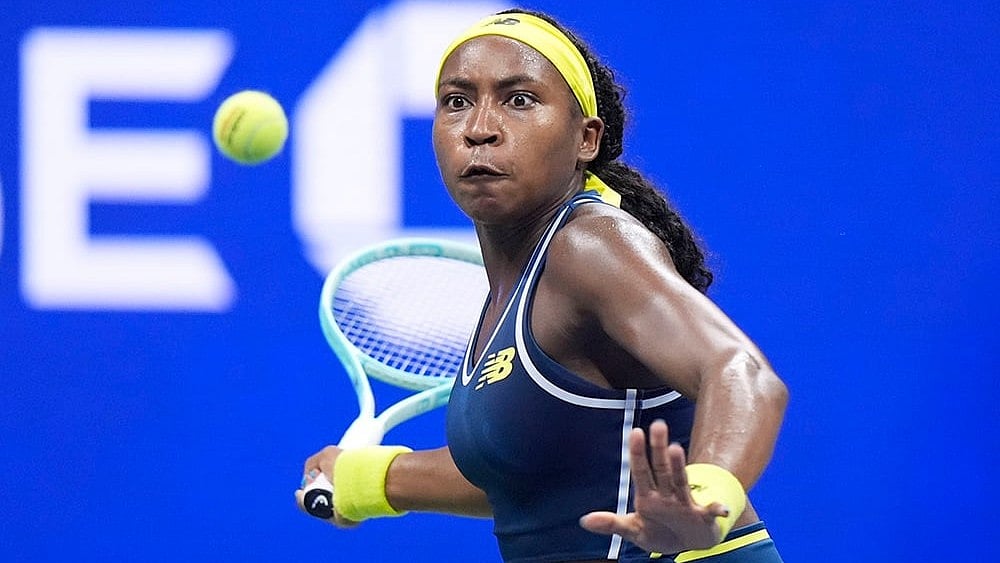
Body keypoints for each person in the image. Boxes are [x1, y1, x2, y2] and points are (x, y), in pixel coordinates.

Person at [297, 9, 789, 562]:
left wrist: (706, 498)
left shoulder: (590, 245)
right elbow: (527, 472)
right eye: (457, 101)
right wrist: (369, 480)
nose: (479, 128)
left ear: (586, 139)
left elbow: (740, 372)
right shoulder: (514, 282)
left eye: (519, 100)